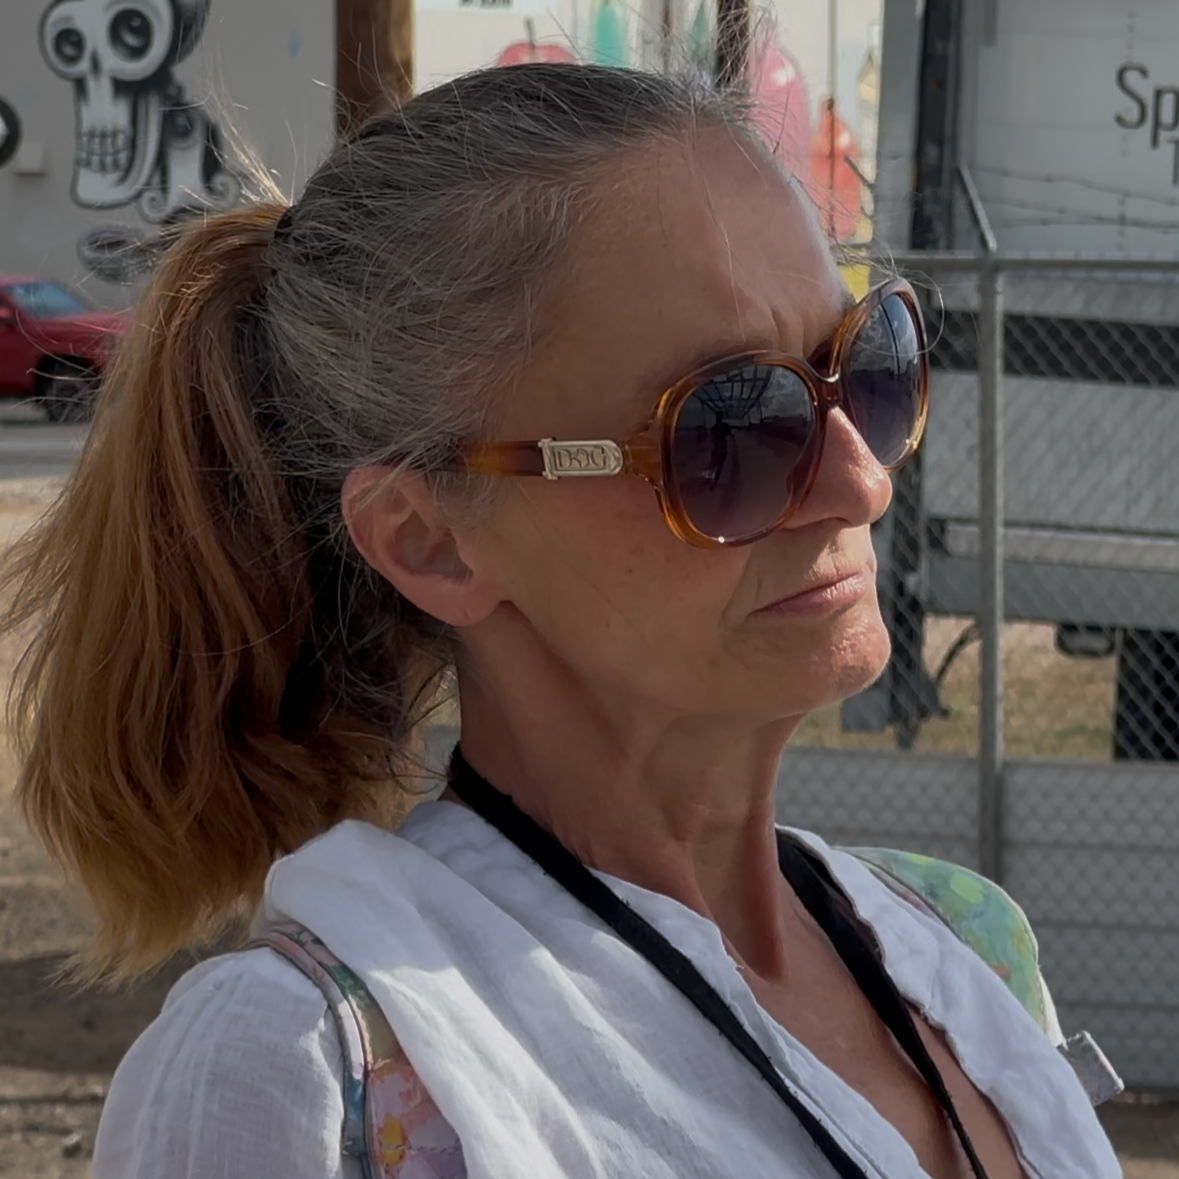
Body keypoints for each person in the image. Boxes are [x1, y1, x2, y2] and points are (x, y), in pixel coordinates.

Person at [1, 64, 1118, 1179]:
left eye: (868, 367)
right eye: (728, 425)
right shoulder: (305, 1069)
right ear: (428, 539)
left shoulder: (963, 946)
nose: (861, 482)